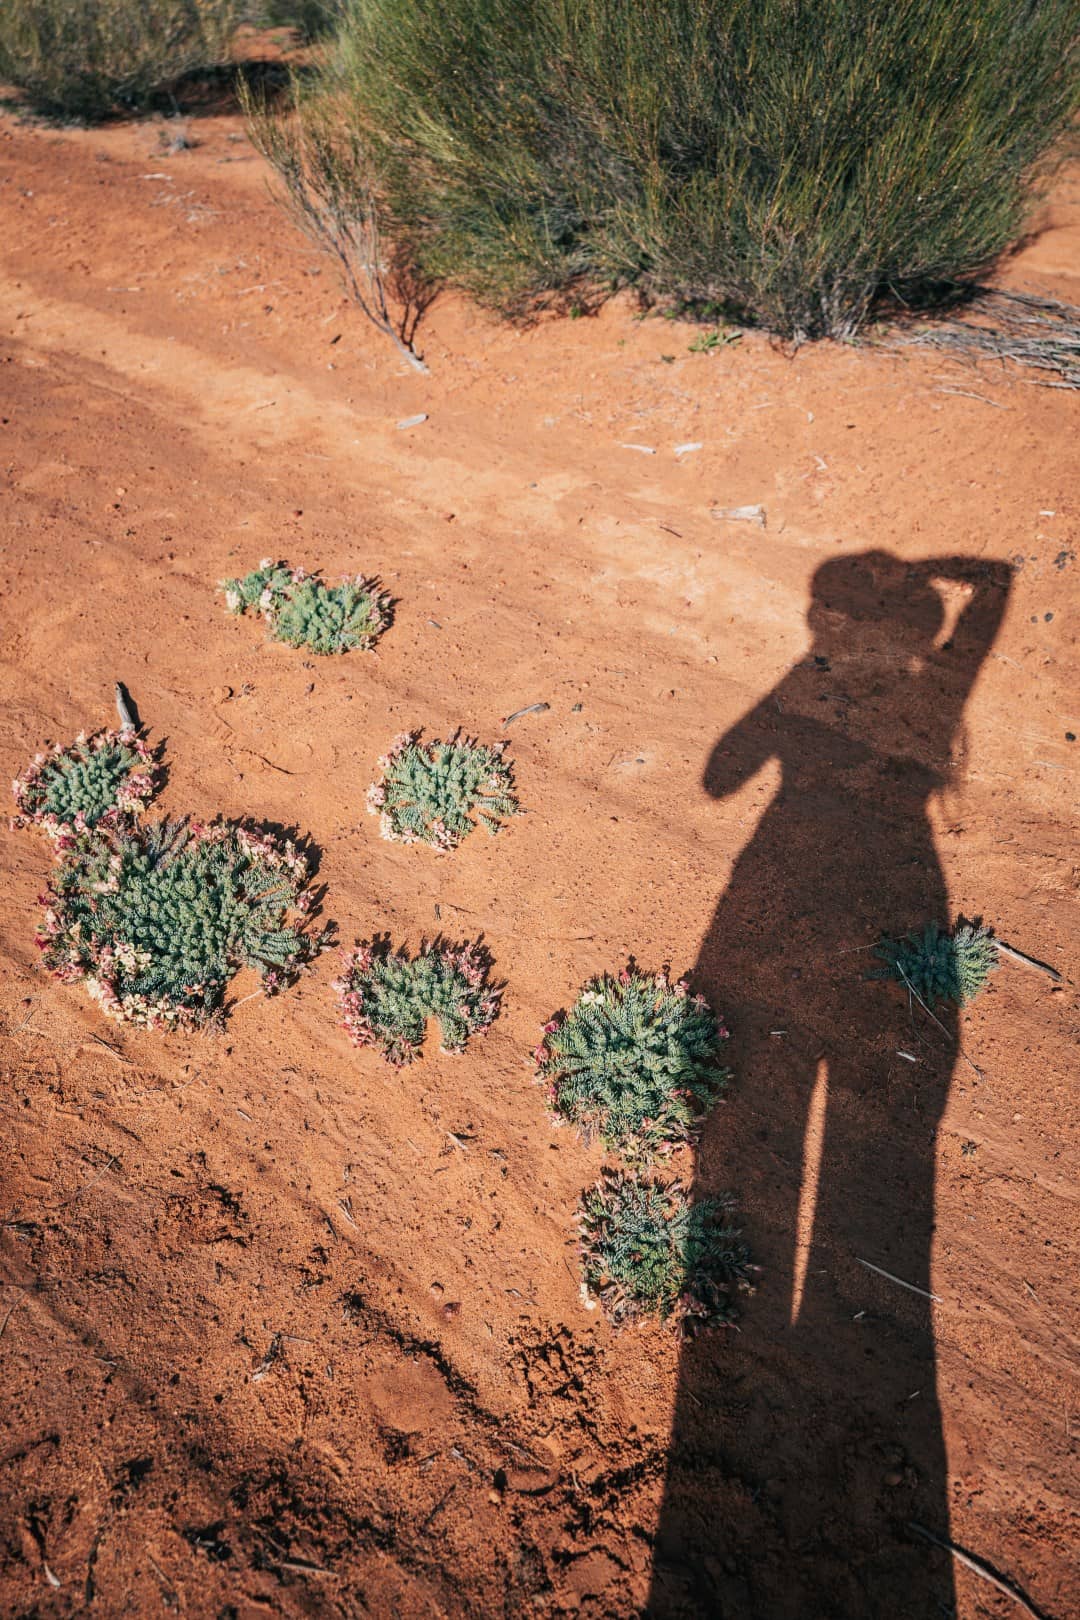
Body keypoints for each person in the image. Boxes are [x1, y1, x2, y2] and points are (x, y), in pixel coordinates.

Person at [648, 551, 1012, 1618]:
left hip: (786, 875)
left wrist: (802, 678)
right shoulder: (937, 690)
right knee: (887, 1169)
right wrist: (947, 575)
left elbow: (719, 772)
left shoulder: (819, 680)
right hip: (904, 883)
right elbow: (991, 594)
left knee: (756, 1128)